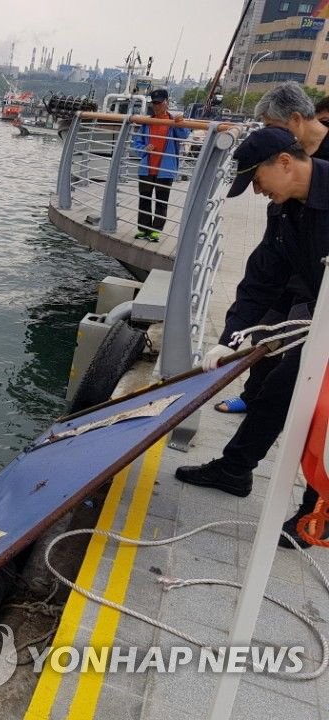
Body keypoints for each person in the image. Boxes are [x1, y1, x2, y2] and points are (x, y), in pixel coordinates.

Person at [174, 126, 329, 547]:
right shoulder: (284, 210)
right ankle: (234, 468)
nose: (257, 192)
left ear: (283, 162)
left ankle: (320, 513)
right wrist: (231, 339)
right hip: (321, 314)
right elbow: (262, 280)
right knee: (278, 389)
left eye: (257, 180)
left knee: (322, 414)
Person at [214, 82, 329, 415]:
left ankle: (242, 453)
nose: (264, 134)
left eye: (269, 127)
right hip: (293, 260)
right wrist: (227, 339)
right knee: (265, 332)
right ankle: (252, 398)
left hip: (317, 282)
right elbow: (260, 276)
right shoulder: (282, 198)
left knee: (291, 371)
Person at [130, 88, 190, 241]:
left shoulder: (173, 122)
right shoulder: (147, 123)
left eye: (159, 103)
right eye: (153, 103)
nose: (156, 106)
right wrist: (144, 149)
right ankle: (144, 229)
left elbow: (184, 135)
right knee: (144, 199)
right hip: (146, 169)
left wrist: (180, 123)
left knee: (161, 201)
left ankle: (156, 231)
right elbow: (136, 143)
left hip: (165, 169)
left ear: (166, 103)